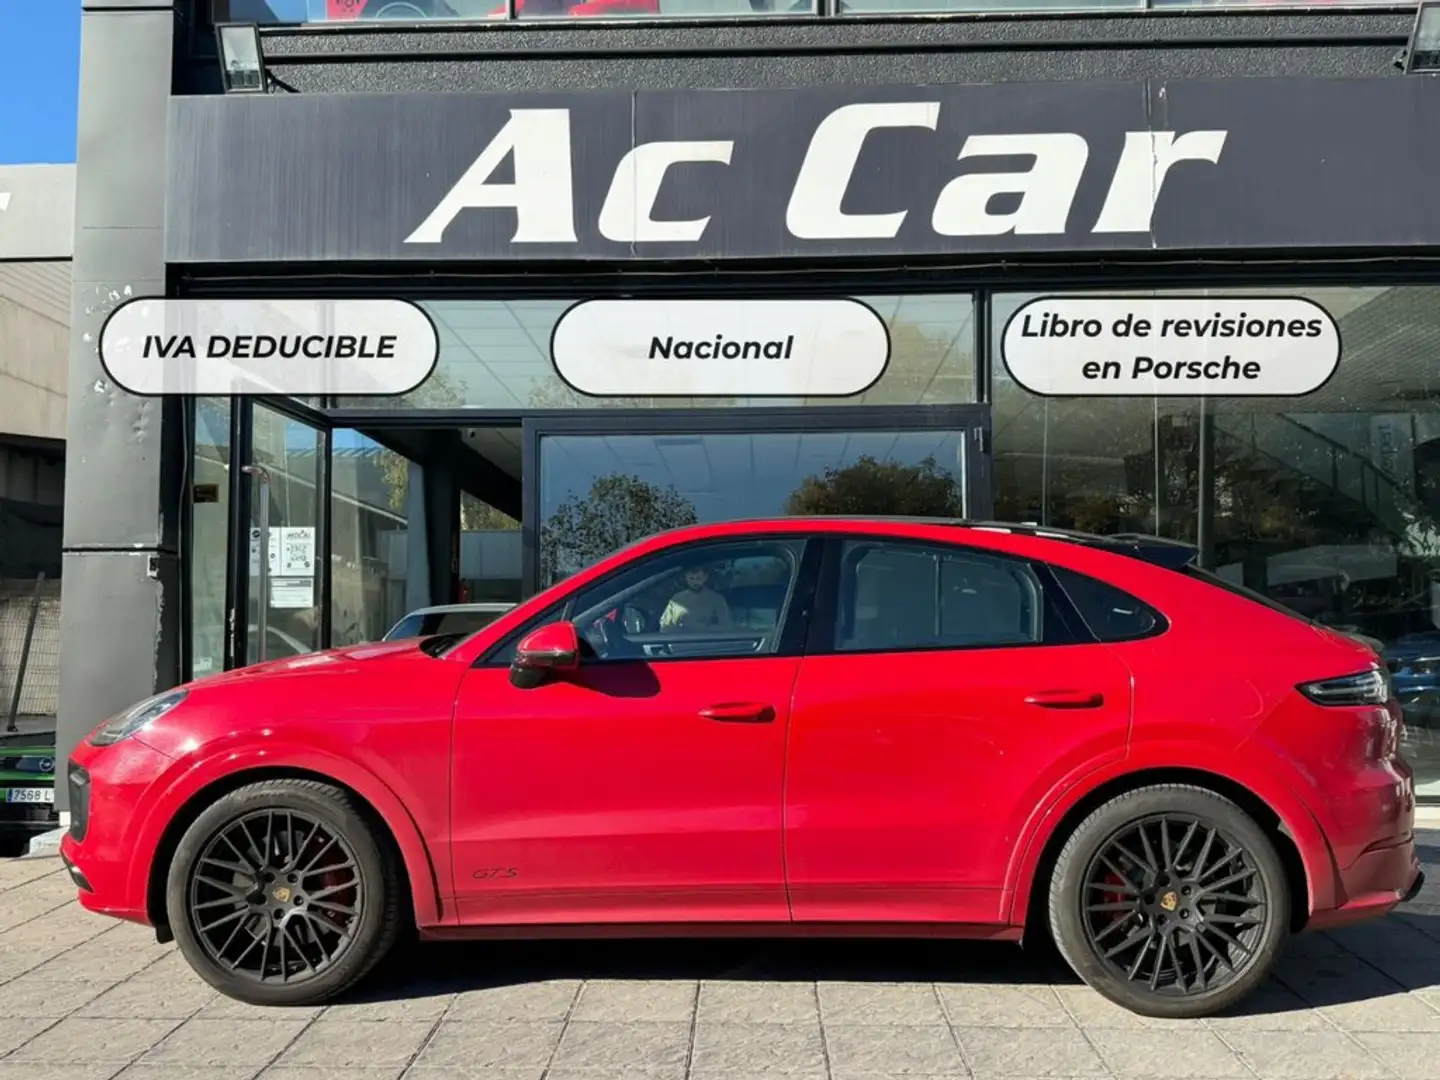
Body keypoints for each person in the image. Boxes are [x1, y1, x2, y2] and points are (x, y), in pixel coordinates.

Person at [659, 564, 731, 633]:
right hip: (681, 642)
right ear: (685, 577)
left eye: (698, 578)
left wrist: (702, 628)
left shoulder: (717, 599)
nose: (695, 582)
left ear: (705, 577)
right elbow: (665, 627)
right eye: (691, 578)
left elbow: (726, 627)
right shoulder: (677, 600)